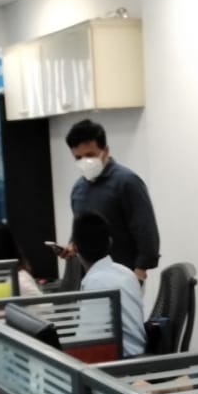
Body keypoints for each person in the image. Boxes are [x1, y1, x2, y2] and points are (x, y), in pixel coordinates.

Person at [62, 119, 159, 286]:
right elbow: (82, 231)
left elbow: (146, 231)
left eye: (90, 155)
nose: (85, 161)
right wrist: (72, 246)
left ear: (105, 151)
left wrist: (139, 273)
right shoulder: (78, 189)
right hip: (89, 279)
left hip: (124, 277)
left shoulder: (127, 182)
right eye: (78, 157)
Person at [71, 211, 145, 358]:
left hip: (120, 363)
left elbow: (88, 344)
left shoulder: (95, 283)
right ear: (110, 242)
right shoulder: (126, 272)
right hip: (138, 355)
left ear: (74, 248)